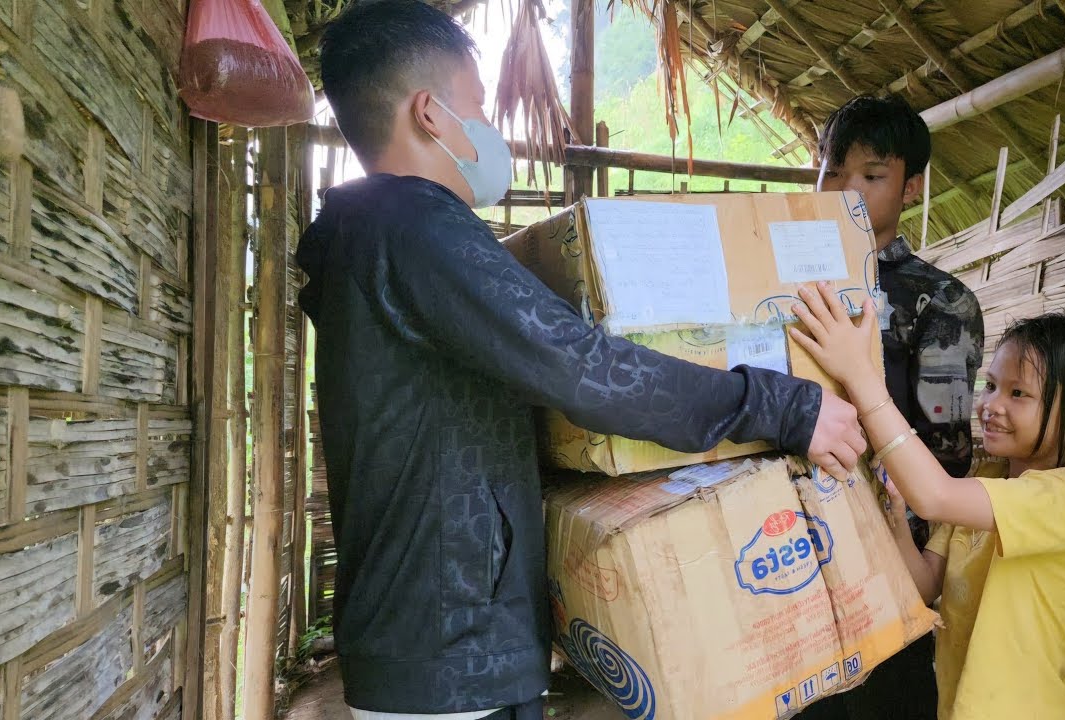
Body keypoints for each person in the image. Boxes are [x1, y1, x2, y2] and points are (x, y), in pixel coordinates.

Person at [297, 2, 868, 719]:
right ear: (431, 115)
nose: (489, 131)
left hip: (436, 641)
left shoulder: (373, 237)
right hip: (447, 653)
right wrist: (785, 405)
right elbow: (584, 369)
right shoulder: (413, 228)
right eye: (478, 106)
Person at [791, 283, 1065, 720]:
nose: (990, 405)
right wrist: (897, 515)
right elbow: (925, 586)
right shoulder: (987, 481)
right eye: (990, 385)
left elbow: (934, 496)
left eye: (1018, 394)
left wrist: (859, 376)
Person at [801, 94, 984, 719]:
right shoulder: (775, 281)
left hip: (885, 557)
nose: (846, 191)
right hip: (783, 545)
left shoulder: (941, 303)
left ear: (910, 188)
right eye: (834, 169)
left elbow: (947, 450)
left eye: (873, 176)